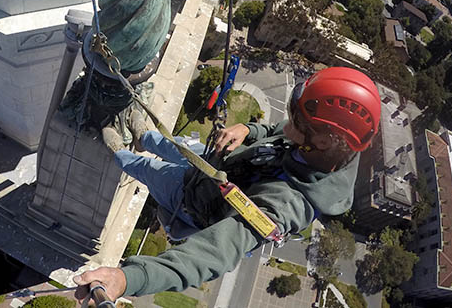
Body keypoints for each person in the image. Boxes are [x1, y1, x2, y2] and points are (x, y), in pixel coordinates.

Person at [74, 67, 381, 301]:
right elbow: (278, 131)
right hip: (221, 161)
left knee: (146, 167)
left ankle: (119, 152)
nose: (287, 124)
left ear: (324, 140)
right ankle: (144, 135)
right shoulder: (330, 146)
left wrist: (129, 279)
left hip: (193, 198)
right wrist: (247, 131)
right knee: (171, 144)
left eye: (296, 122)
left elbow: (212, 254)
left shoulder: (286, 207)